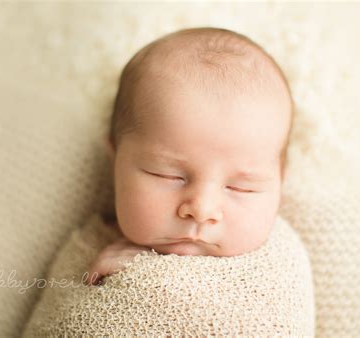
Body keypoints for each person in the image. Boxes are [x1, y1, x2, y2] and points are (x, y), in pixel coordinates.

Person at [85, 27, 293, 285]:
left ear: (280, 182)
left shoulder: (280, 266)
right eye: (167, 175)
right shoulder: (89, 242)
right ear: (115, 158)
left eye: (241, 188)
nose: (201, 210)